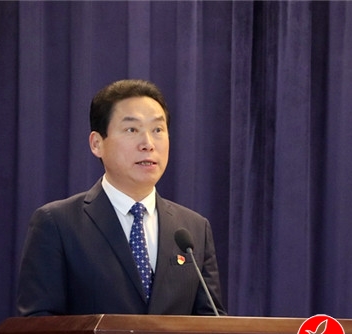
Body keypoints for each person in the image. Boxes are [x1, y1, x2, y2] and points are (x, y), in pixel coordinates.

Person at [17, 79, 226, 316]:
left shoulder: (193, 229)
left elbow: (212, 324)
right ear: (97, 144)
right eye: (132, 130)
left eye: (157, 130)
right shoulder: (57, 224)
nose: (148, 144)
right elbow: (40, 325)